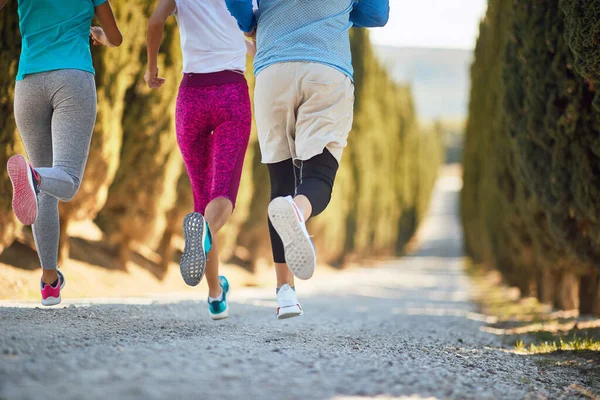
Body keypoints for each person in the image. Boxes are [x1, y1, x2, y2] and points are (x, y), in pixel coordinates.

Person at [225, 0, 389, 319]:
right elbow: (377, 14)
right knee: (319, 177)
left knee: (281, 183)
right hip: (326, 70)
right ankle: (298, 212)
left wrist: (251, 24)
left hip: (273, 69)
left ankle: (285, 293)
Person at [3, 0, 122, 306]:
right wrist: (97, 32)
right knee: (65, 180)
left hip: (29, 84)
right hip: (72, 79)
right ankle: (33, 175)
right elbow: (116, 37)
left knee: (44, 191)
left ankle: (49, 281)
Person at [145, 0, 255, 320]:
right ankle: (205, 242)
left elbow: (154, 22)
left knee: (203, 200)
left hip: (191, 96)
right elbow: (256, 30)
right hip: (231, 94)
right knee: (221, 197)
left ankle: (216, 295)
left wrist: (152, 68)